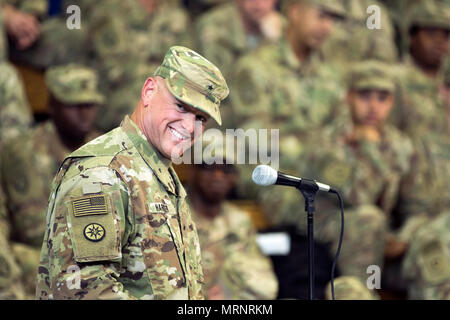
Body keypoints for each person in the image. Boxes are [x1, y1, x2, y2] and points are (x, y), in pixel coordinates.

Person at [36, 46, 229, 300]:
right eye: (181, 107)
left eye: (201, 119)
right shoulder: (102, 173)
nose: (189, 126)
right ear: (149, 91)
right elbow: (85, 290)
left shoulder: (159, 171)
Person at [258, 61, 414, 287]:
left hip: (381, 232)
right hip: (327, 223)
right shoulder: (328, 142)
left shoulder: (401, 144)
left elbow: (414, 203)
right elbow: (356, 198)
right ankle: (360, 292)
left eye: (382, 98)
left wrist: (404, 237)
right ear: (349, 97)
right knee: (368, 220)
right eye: (365, 96)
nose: (373, 106)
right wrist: (368, 147)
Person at [1, 64, 104, 298]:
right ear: (52, 106)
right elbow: (16, 222)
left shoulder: (109, 155)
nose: (84, 114)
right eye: (74, 105)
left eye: (89, 105)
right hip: (36, 263)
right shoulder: (20, 153)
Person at [230, 0, 347, 198]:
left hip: (317, 175)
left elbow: (342, 133)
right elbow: (257, 140)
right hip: (271, 178)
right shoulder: (255, 66)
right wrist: (317, 148)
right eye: (321, 16)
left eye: (332, 20)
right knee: (328, 212)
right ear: (294, 12)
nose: (327, 27)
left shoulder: (330, 75)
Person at [187, 139, 278, 300]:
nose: (218, 175)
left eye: (227, 169)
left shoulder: (240, 222)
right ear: (193, 170)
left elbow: (265, 286)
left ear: (235, 177)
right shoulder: (172, 214)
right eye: (209, 166)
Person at [89, 0, 193, 132]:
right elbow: (112, 68)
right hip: (120, 94)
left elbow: (187, 64)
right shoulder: (110, 12)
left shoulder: (176, 15)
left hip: (167, 91)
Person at [391, 0, 450, 140]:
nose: (439, 42)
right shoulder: (395, 80)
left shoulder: (445, 82)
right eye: (430, 34)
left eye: (445, 36)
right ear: (412, 37)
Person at [195, 0, 285, 80]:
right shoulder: (215, 27)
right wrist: (269, 44)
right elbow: (220, 83)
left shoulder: (283, 28)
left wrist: (277, 41)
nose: (258, 3)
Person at [322, 0, 398, 64]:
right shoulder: (316, 5)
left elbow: (384, 54)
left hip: (361, 75)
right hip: (320, 72)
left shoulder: (372, 10)